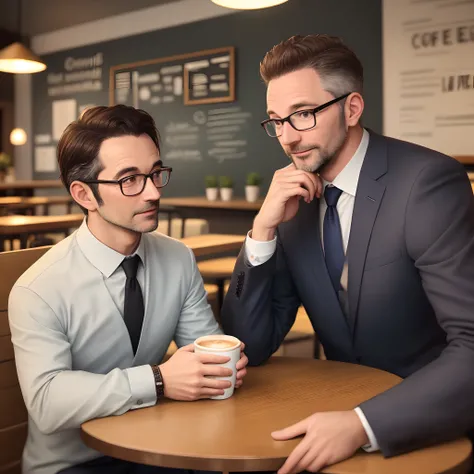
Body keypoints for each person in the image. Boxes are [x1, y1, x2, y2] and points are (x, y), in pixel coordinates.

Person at [221, 34, 474, 473]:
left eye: (302, 115)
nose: (287, 137)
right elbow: (251, 346)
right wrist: (261, 232)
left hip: (427, 427)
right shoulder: (295, 199)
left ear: (352, 108)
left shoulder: (428, 183)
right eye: (276, 121)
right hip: (332, 420)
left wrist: (363, 425)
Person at [9, 105, 248, 474]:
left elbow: (205, 350)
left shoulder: (178, 257)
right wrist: (160, 380)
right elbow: (47, 402)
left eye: (155, 173)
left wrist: (220, 369)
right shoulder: (38, 289)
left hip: (157, 447)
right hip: (72, 464)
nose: (152, 192)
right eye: (129, 179)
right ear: (84, 194)